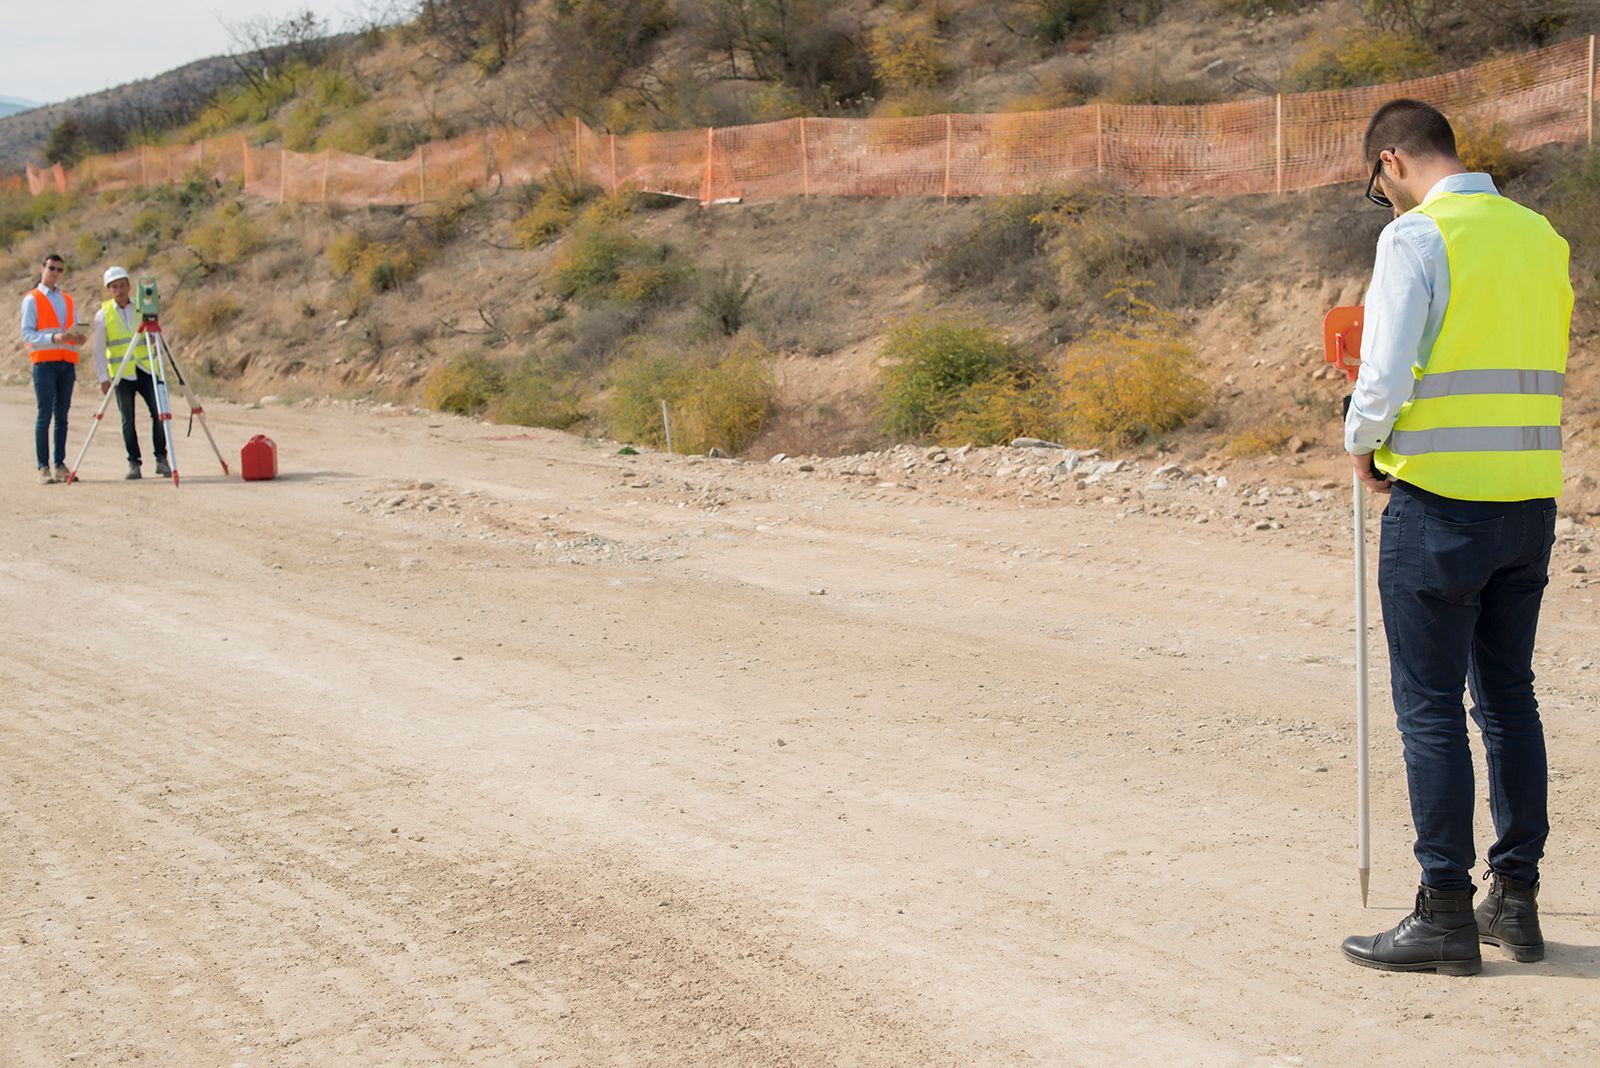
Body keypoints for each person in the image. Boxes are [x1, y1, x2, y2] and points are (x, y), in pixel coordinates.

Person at [1340, 99, 1570, 976]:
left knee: (1429, 706)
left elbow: (1386, 369)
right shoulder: (1540, 237)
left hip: (1439, 507)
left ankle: (1443, 910)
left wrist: (1360, 441)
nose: (1382, 199)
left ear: (1391, 161)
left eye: (1376, 184)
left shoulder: (1416, 239)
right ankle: (1516, 897)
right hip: (1529, 506)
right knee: (1509, 698)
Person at [91, 266, 169, 480]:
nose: (119, 290)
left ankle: (161, 459)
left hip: (145, 368)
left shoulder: (142, 307)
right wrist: (103, 378)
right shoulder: (103, 314)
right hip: (122, 373)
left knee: (159, 413)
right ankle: (133, 462)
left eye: (122, 285)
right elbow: (97, 349)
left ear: (129, 286)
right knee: (128, 420)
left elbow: (154, 338)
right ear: (109, 289)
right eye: (114, 286)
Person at [19, 253, 86, 484]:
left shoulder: (67, 299)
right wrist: (55, 338)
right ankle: (43, 467)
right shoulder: (32, 299)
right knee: (44, 415)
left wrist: (77, 339)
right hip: (45, 363)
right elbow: (27, 334)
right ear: (42, 268)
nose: (55, 273)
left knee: (62, 417)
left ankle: (60, 464)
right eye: (52, 268)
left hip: (66, 363)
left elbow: (72, 328)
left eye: (59, 269)